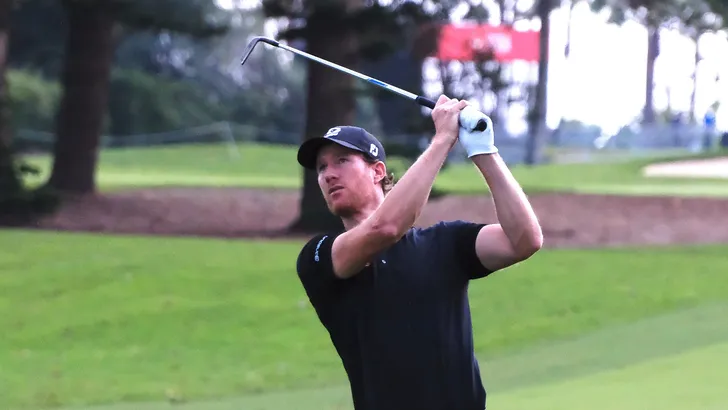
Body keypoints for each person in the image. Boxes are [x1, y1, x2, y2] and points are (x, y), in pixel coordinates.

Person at [294, 95, 543, 410]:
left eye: (341, 160)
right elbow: (385, 228)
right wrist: (443, 140)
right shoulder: (319, 256)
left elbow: (524, 240)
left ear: (377, 171)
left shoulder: (444, 242)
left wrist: (483, 151)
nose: (328, 174)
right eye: (321, 168)